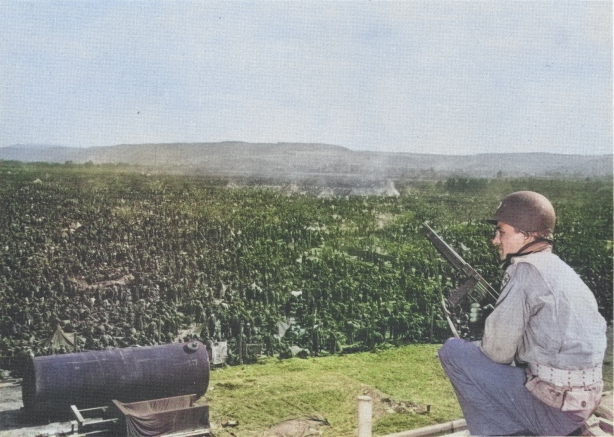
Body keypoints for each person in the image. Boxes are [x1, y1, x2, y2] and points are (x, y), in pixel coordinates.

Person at [438, 191, 607, 436]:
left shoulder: (524, 270)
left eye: (502, 232)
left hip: (556, 412)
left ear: (525, 235)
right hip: (583, 402)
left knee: (453, 351)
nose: (495, 240)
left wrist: (480, 336)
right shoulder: (560, 268)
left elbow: (498, 354)